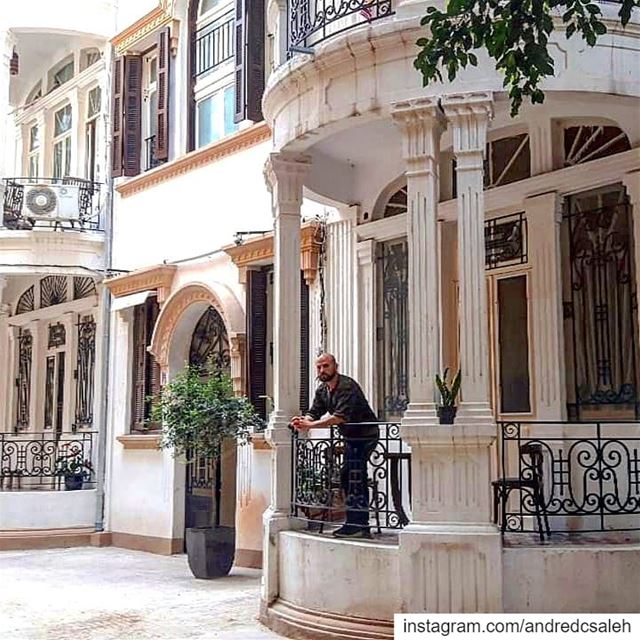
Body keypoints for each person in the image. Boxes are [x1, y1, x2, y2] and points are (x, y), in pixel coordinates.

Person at [291, 353, 379, 539]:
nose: (322, 370)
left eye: (326, 366)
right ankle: (355, 524)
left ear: (335, 366)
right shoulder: (323, 390)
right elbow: (314, 412)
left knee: (354, 474)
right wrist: (302, 421)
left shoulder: (347, 386)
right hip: (350, 437)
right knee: (349, 476)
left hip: (365, 435)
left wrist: (311, 426)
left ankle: (359, 525)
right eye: (319, 367)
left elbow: (339, 417)